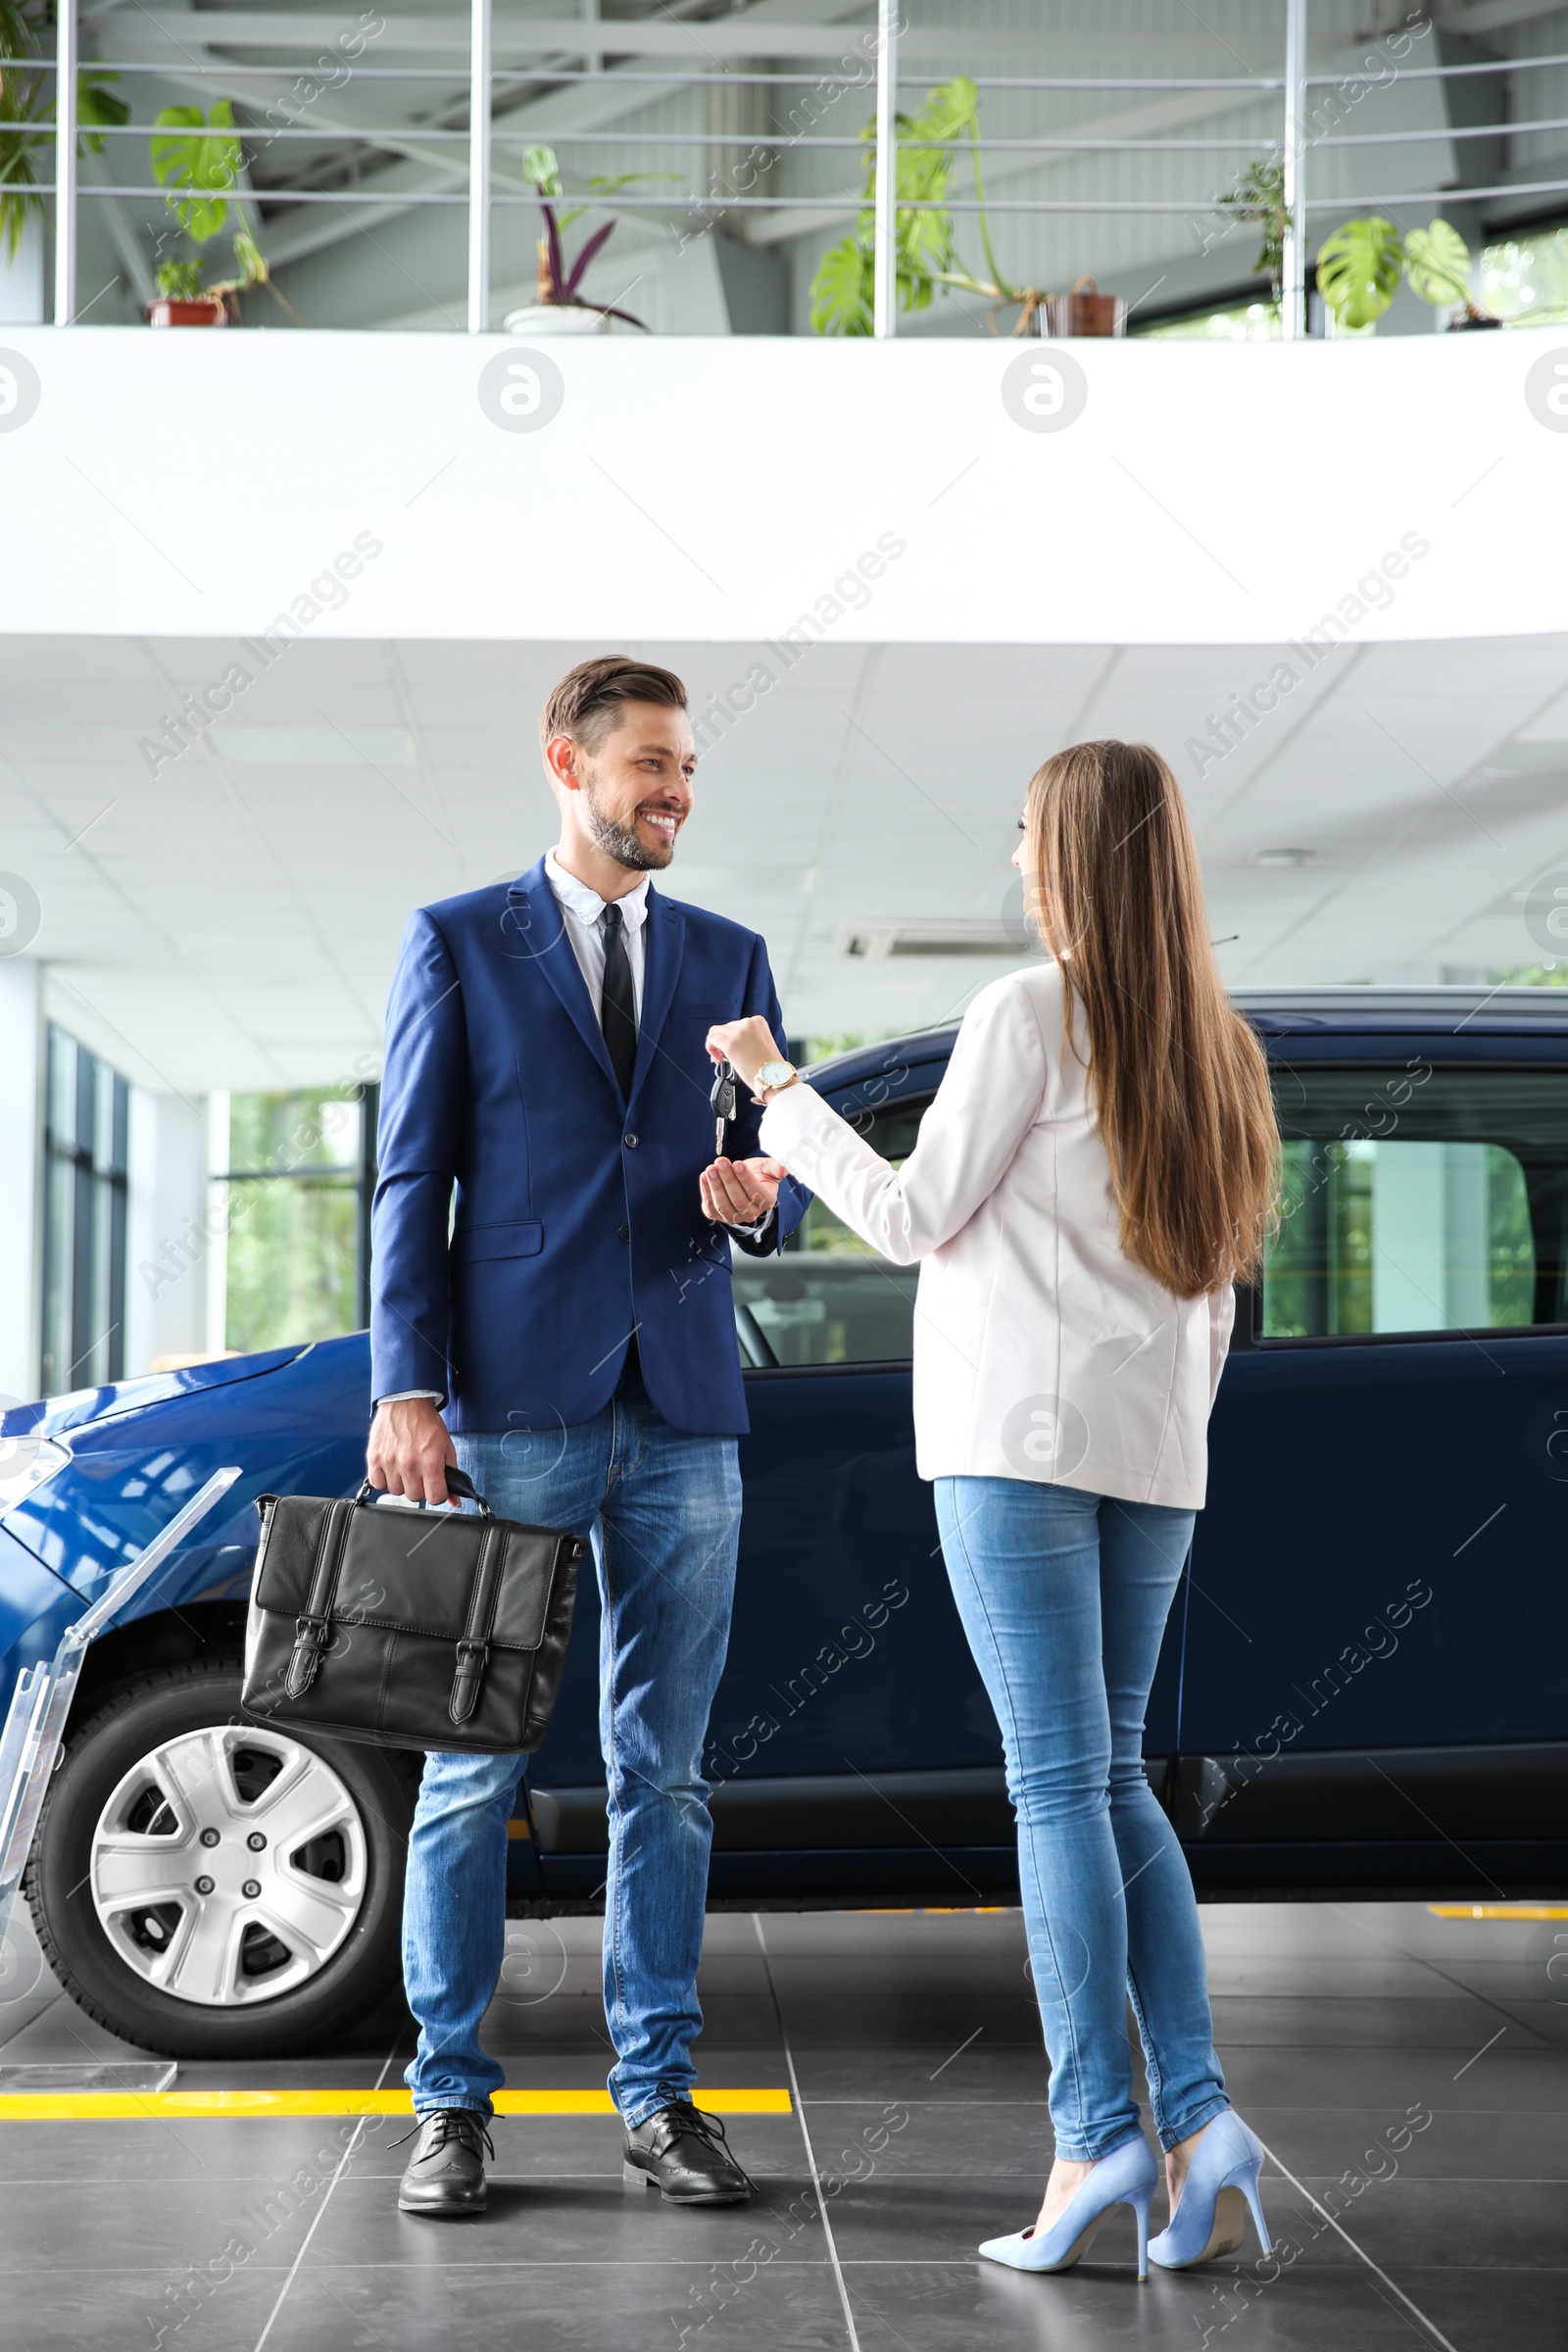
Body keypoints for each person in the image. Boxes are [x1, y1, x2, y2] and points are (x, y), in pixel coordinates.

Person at [703, 739, 1281, 2280]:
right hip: (1156, 1455)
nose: (1016, 862)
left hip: (1014, 1452)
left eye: (1028, 838)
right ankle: (1203, 2119)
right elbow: (1218, 1296)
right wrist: (1163, 1422)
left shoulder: (1026, 1012)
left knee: (1056, 1789)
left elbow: (905, 1215)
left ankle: (1096, 2133)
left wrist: (775, 1091)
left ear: (1076, 856)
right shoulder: (1216, 1042)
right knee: (1114, 1779)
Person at [368, 656, 808, 2219]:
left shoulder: (730, 952)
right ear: (569, 762)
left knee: (664, 1777)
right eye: (652, 767)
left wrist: (760, 1195)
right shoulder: (458, 944)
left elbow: (778, 1151)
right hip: (510, 1408)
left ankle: (659, 2096)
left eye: (689, 769)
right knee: (472, 1770)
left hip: (684, 1410)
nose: (676, 792)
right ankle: (448, 2105)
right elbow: (413, 1181)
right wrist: (403, 1386)